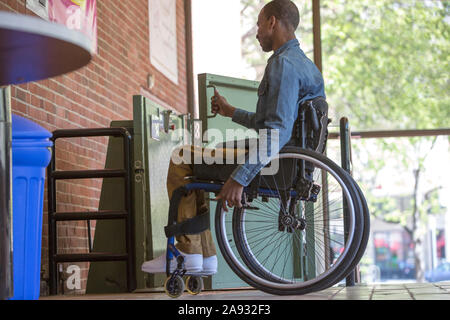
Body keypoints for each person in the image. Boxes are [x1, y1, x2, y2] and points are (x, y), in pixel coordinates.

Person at [141, 0, 326, 275]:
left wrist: (241, 177)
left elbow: (276, 132)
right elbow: (273, 123)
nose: (256, 32)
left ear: (272, 22)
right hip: (288, 159)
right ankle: (203, 256)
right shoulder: (304, 65)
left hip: (276, 160)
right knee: (203, 158)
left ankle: (189, 251)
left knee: (182, 157)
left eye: (259, 24)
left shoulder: (283, 65)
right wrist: (230, 112)